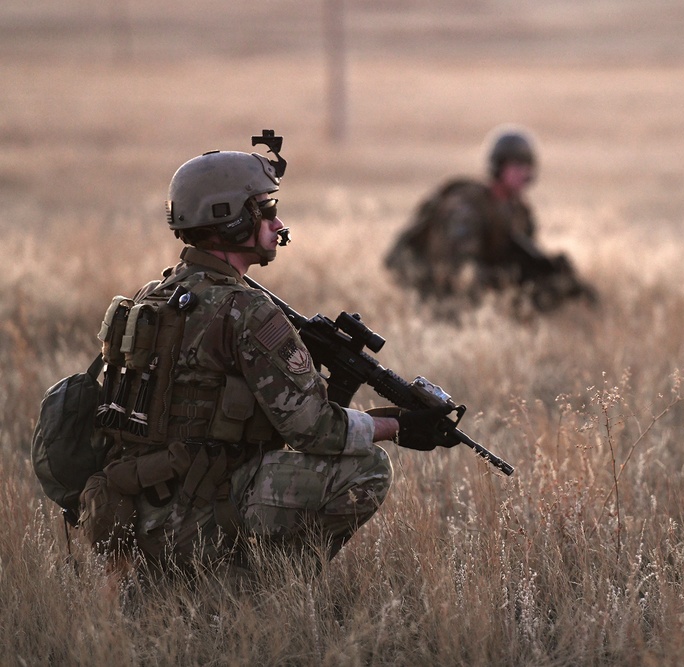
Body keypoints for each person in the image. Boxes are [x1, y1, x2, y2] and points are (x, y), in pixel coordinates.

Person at [77, 131, 454, 569]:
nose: (277, 225)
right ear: (232, 221)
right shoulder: (248, 311)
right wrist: (397, 425)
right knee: (369, 467)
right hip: (192, 520)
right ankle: (264, 583)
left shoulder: (154, 295)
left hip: (127, 512)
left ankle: (162, 576)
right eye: (267, 211)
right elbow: (314, 432)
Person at [384, 125, 597, 313]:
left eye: (528, 166)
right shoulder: (467, 208)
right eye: (517, 166)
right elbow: (460, 274)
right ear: (498, 166)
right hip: (440, 294)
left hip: (482, 289)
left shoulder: (519, 211)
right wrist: (508, 281)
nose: (524, 173)